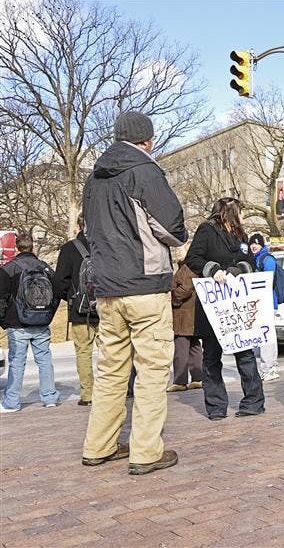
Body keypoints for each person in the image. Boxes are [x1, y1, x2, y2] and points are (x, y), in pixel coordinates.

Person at [81, 110, 187, 475]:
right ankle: (145, 452)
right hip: (144, 286)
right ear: (148, 140)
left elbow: (89, 231)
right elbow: (172, 227)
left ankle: (99, 445)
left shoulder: (93, 179)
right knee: (153, 370)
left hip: (107, 288)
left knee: (110, 370)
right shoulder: (145, 170)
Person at [185, 197, 265, 420]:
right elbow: (193, 258)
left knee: (246, 355)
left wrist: (240, 269)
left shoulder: (241, 236)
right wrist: (213, 270)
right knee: (211, 356)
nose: (243, 216)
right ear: (228, 212)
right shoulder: (206, 230)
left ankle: (253, 402)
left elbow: (250, 261)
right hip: (214, 307)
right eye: (240, 212)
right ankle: (216, 406)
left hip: (237, 307)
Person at [0, 233, 60, 412]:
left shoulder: (8, 269)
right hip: (41, 322)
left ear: (17, 247)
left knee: (17, 362)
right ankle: (49, 397)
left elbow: (1, 298)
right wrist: (48, 314)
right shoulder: (45, 268)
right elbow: (57, 291)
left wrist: (4, 321)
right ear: (32, 246)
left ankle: (12, 402)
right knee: (44, 360)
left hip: (16, 322)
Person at [53, 214, 99, 406]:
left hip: (80, 311)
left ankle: (88, 394)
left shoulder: (69, 249)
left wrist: (72, 297)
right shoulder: (105, 245)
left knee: (83, 352)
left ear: (79, 226)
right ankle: (113, 393)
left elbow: (59, 282)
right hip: (107, 307)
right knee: (112, 353)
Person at [168, 243, 203, 392]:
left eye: (179, 250)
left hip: (184, 314)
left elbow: (185, 289)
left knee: (181, 349)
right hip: (191, 315)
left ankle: (180, 381)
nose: (176, 252)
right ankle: (197, 377)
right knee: (194, 347)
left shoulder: (187, 267)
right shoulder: (187, 267)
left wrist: (172, 296)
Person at [249, 233, 279, 382]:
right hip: (264, 302)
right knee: (269, 336)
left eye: (256, 243)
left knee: (265, 336)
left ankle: (267, 369)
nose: (253, 246)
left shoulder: (266, 259)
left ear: (261, 244)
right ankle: (271, 367)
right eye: (251, 244)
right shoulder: (258, 259)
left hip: (266, 302)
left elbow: (268, 280)